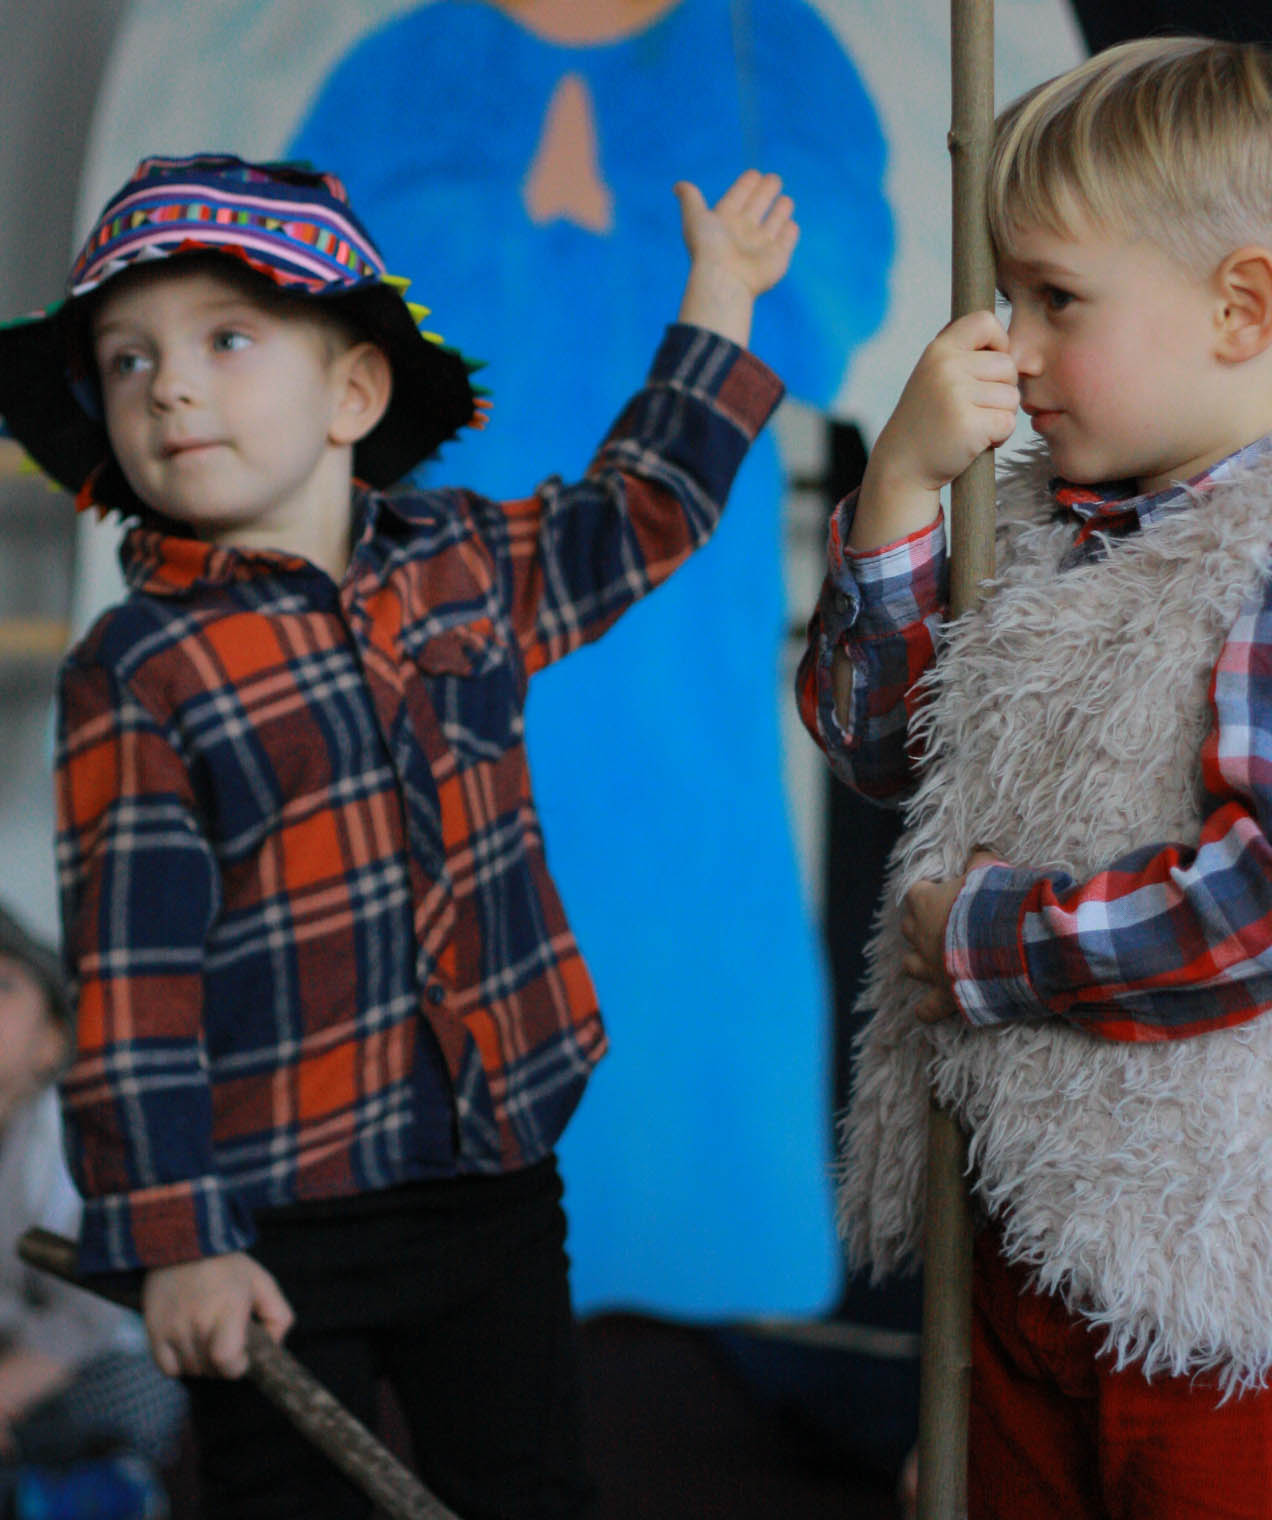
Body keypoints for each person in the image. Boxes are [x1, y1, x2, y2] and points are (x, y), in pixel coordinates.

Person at [0, 151, 796, 1520]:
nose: (169, 386)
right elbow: (134, 987)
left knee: (526, 1487)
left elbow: (640, 511)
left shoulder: (463, 565)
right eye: (128, 361)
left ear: (353, 394)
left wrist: (718, 297)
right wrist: (180, 1241)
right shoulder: (137, 668)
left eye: (225, 339)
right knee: (286, 1502)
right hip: (268, 1211)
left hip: (488, 1169)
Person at [288, 0, 889, 1317]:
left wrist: (635, 225)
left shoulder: (750, 37)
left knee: (695, 850)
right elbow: (312, 297)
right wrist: (514, 216)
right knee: (452, 847)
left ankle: (717, 1243)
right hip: (450, 556)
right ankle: (463, 1239)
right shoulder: (413, 63)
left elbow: (834, 283)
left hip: (674, 564)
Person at [796, 37, 1272, 1519]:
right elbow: (877, 744)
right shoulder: (1025, 524)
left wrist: (994, 942)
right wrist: (901, 492)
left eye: (1055, 299)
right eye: (1006, 297)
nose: (1009, 349)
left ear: (1240, 308)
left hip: (1219, 1282)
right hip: (1023, 1235)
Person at [0, 904, 184, 1520]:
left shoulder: (66, 1140)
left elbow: (89, 1312)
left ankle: (92, 1487)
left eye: (3, 986)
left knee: (135, 1387)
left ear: (52, 1041)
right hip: (11, 1359)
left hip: (84, 1363)